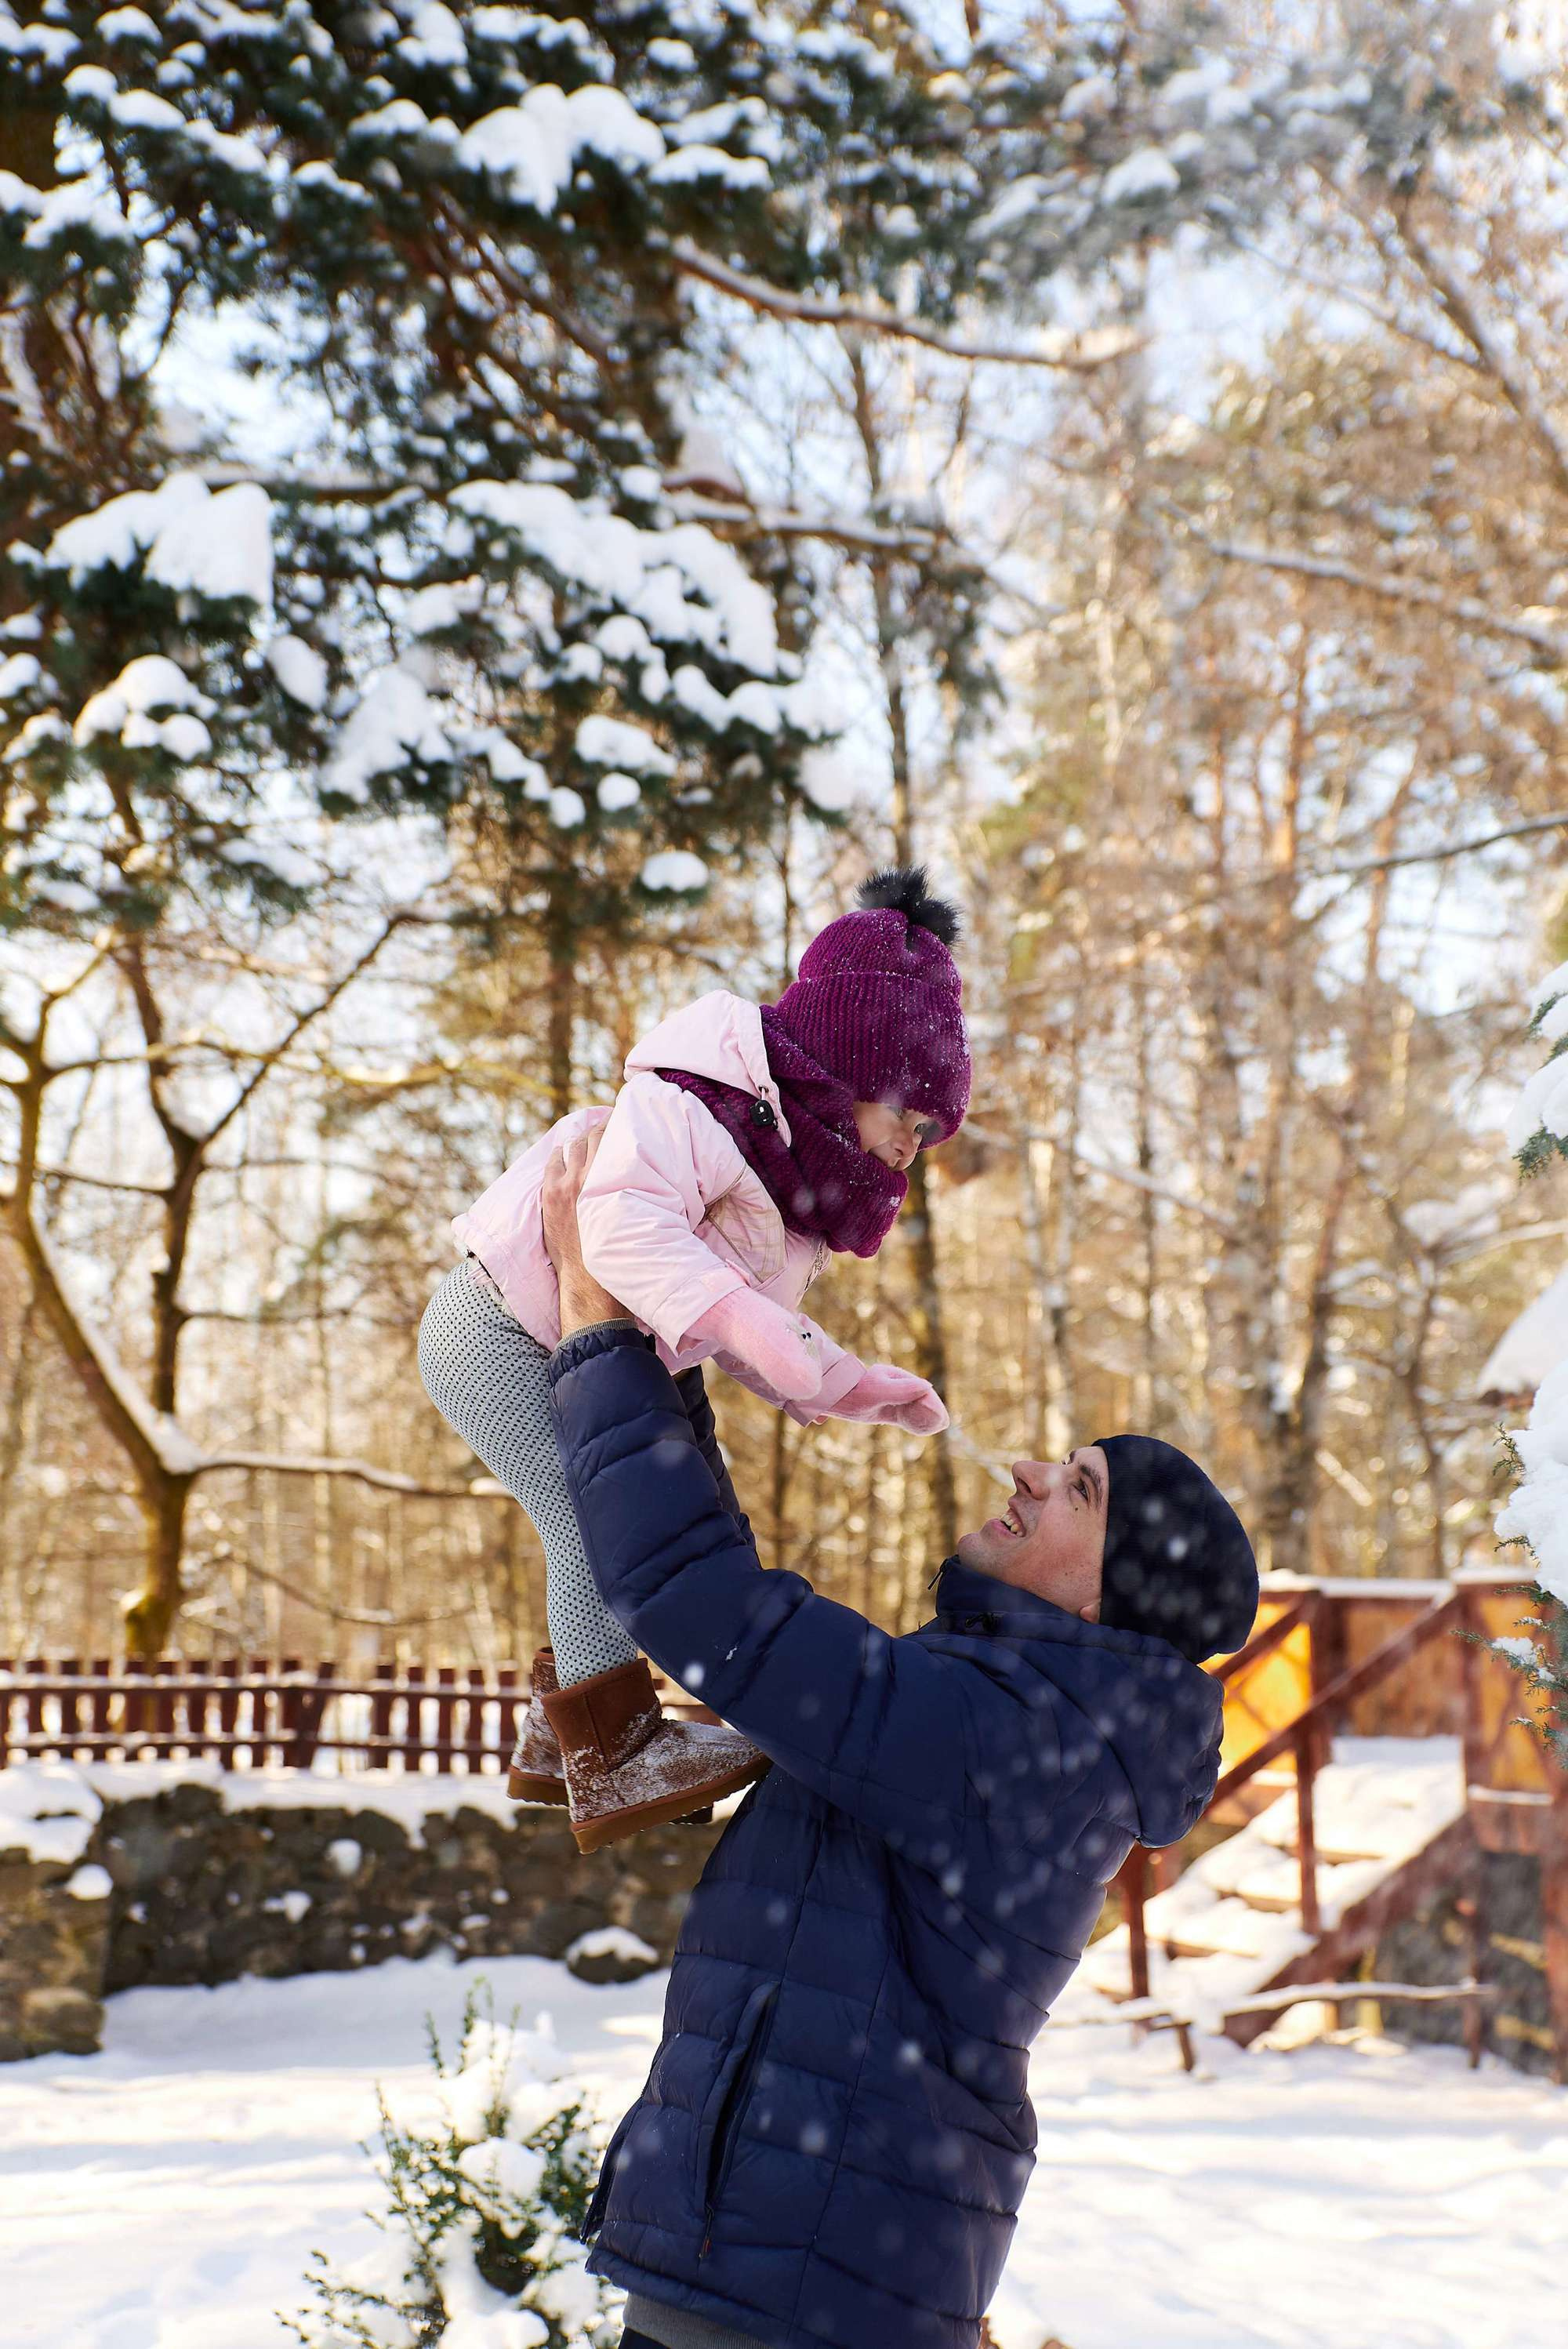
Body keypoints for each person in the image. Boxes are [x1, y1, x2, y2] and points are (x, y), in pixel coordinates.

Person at [536, 1128, 1259, 2349]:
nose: (1031, 1471)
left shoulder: (1021, 1746)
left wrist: (599, 1334)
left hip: (801, 2284)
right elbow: (736, 1599)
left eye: (1078, 1489)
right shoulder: (1008, 1708)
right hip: (791, 2267)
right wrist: (677, 1336)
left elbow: (711, 1608)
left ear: (1108, 1597)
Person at [418, 867, 971, 1852]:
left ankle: (562, 1733)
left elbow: (747, 1327)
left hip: (608, 1358)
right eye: (910, 1117)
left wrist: (848, 1384)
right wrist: (762, 1332)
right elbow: (620, 1230)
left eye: (931, 1134)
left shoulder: (797, 1191)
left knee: (692, 1521)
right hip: (499, 1328)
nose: (913, 1148)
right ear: (848, 1072)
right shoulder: (697, 1105)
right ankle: (612, 1750)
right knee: (591, 1525)